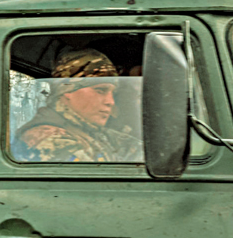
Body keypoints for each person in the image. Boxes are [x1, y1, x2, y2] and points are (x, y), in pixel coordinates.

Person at [12, 48, 143, 163]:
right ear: (67, 90)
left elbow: (133, 147)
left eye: (112, 93)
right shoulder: (50, 139)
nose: (110, 101)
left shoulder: (91, 130)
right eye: (100, 90)